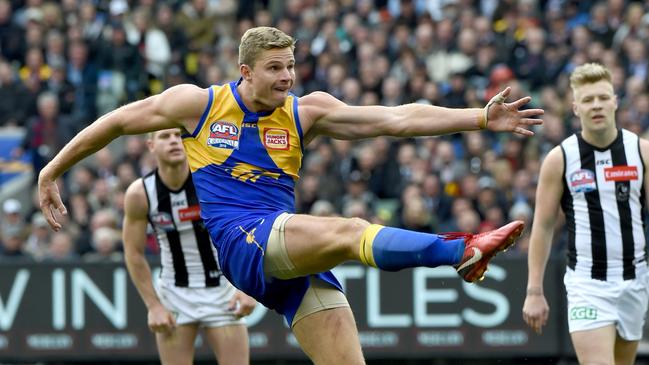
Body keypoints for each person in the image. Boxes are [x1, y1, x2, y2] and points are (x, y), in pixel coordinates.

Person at [39, 27, 542, 364]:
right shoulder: (198, 105)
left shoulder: (307, 113)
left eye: (290, 66)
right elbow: (117, 122)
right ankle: (461, 250)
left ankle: (461, 251)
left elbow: (398, 118)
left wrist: (478, 117)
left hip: (286, 255)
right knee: (348, 231)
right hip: (242, 241)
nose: (287, 77)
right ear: (246, 71)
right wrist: (52, 170)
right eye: (276, 68)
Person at [522, 63, 649, 365]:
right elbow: (542, 227)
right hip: (587, 284)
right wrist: (534, 290)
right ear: (575, 107)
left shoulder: (641, 152)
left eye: (602, 97)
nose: (597, 105)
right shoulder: (560, 158)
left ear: (615, 101)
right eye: (588, 100)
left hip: (635, 280)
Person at [122, 128, 256, 365]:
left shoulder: (212, 181)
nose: (174, 141)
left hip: (222, 291)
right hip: (174, 295)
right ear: (151, 145)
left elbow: (247, 232)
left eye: (179, 135)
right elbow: (133, 253)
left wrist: (247, 287)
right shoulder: (140, 193)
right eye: (165, 136)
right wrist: (153, 305)